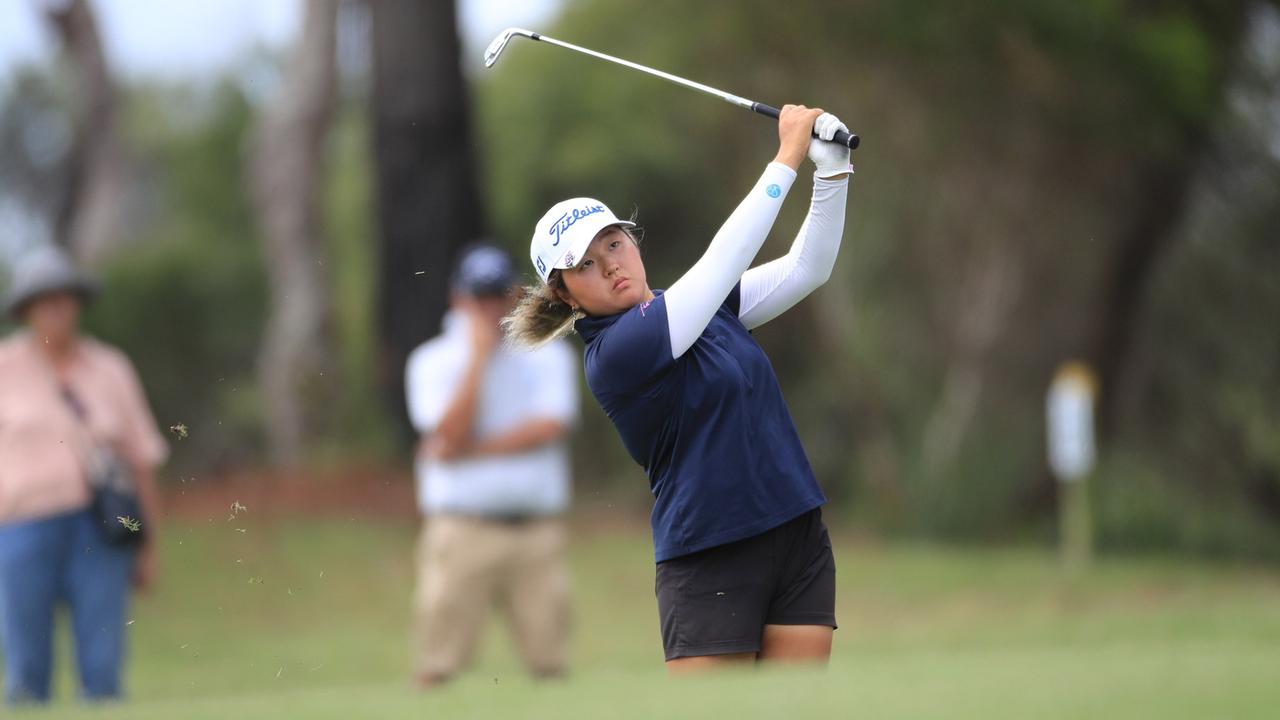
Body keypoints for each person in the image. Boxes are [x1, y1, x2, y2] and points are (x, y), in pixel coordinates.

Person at [505, 105, 852, 671]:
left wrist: (832, 171)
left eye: (614, 244)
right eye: (586, 265)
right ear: (565, 295)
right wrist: (786, 159)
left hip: (795, 531)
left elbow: (806, 269)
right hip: (710, 554)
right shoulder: (616, 353)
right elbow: (721, 263)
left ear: (632, 242)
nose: (611, 266)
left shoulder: (695, 309)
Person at [405, 244, 578, 687]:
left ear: (515, 295)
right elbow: (448, 432)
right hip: (462, 528)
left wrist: (470, 451)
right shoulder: (432, 360)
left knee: (551, 663)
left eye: (496, 295)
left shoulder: (547, 353)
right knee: (437, 663)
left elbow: (549, 425)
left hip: (535, 529)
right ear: (457, 300)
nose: (487, 308)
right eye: (477, 297)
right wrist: (478, 358)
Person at [0, 244, 167, 704]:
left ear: (76, 302)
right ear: (27, 309)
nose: (56, 307)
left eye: (63, 296)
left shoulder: (109, 367)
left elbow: (142, 461)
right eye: (44, 299)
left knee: (102, 661)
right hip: (20, 528)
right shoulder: (4, 368)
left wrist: (147, 543)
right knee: (26, 663)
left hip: (101, 526)